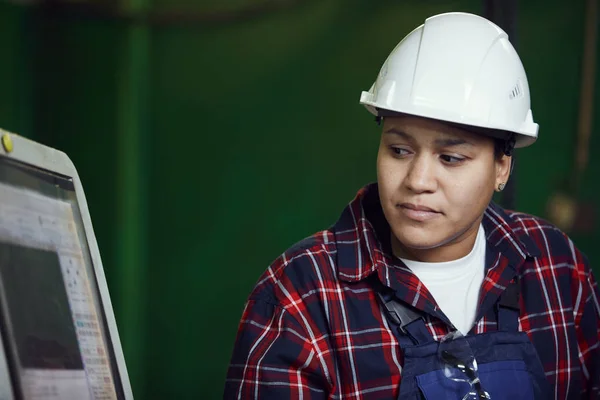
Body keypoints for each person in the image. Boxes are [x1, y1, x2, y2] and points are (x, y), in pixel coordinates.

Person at [223, 12, 600, 399]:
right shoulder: (305, 294)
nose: (417, 181)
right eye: (399, 150)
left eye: (450, 159)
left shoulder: (556, 268)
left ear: (501, 167)